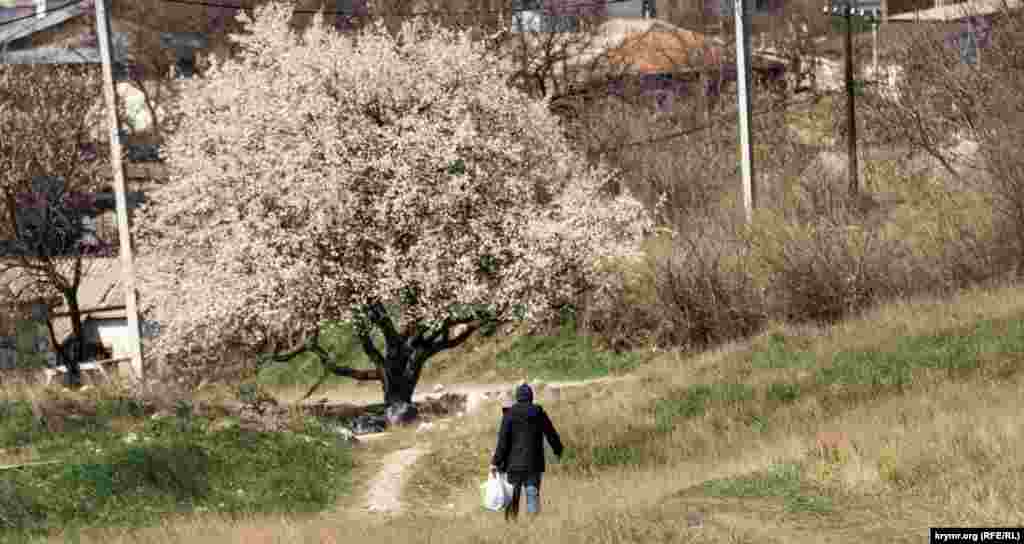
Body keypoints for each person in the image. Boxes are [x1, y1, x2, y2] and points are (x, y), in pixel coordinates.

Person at [490, 383, 564, 521]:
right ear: (531, 397)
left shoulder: (509, 414)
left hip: (513, 465)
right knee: (532, 494)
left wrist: (495, 462)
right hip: (533, 463)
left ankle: (512, 526)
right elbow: (551, 433)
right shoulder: (538, 412)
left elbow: (502, 441)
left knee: (513, 497)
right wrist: (558, 450)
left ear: (517, 397)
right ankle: (533, 525)